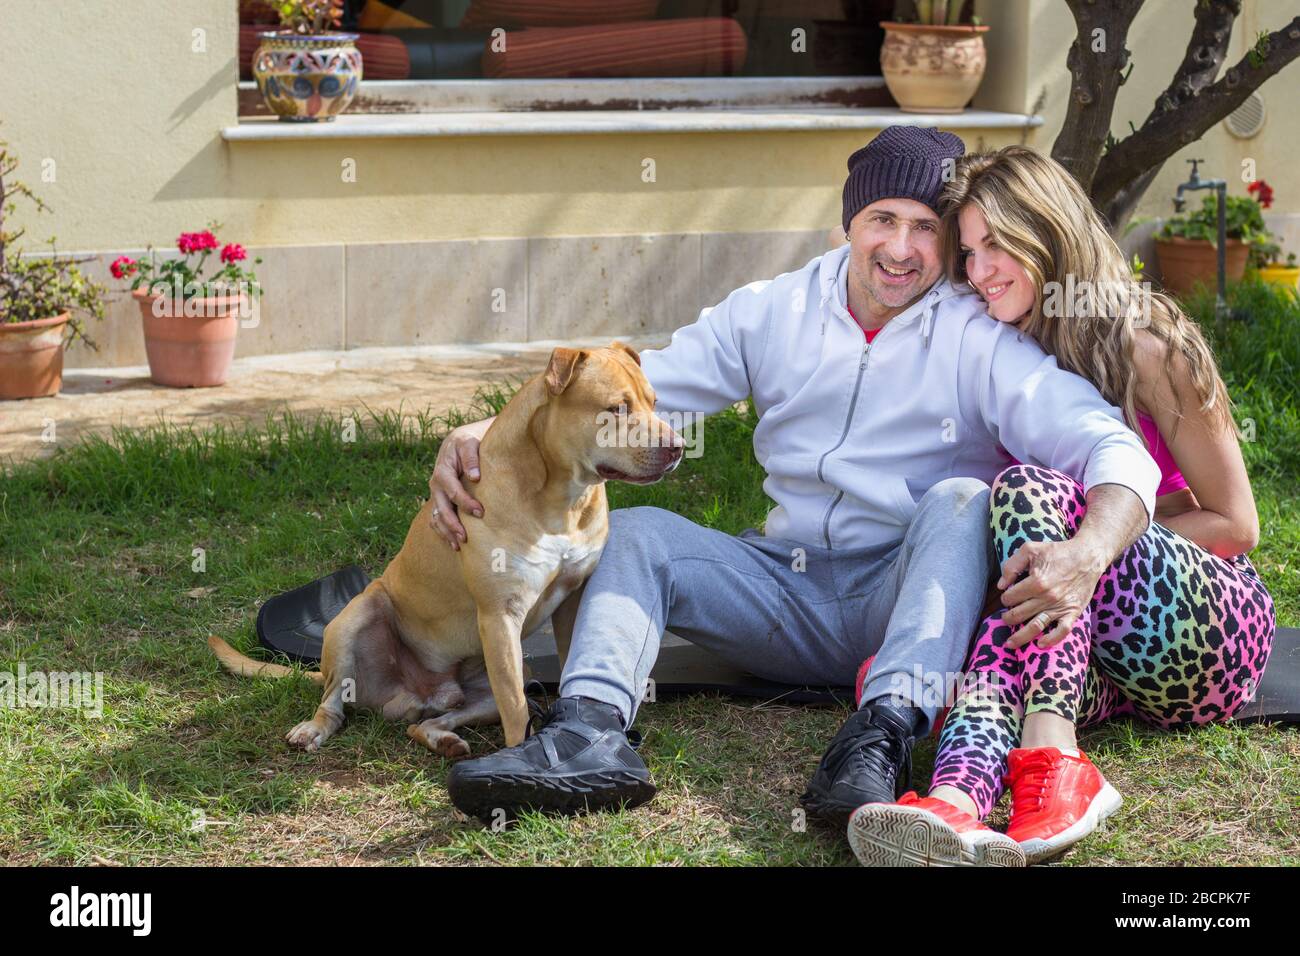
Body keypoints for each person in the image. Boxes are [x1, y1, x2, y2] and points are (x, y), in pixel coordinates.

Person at [427, 127, 1160, 859]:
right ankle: (586, 735)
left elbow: (1113, 447)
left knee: (963, 499)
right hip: (779, 590)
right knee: (642, 531)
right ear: (849, 222)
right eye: (881, 219)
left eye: (925, 228)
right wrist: (489, 430)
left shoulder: (979, 337)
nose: (900, 248)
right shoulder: (772, 309)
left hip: (904, 604)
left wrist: (1090, 551)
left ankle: (879, 739)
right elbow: (639, 391)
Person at [846, 146, 1276, 867]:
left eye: (997, 245)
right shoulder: (1003, 345)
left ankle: (1057, 754)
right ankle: (955, 804)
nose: (979, 271)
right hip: (1091, 653)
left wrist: (1087, 549)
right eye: (969, 253)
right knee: (977, 661)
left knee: (1029, 494)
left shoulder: (1147, 345)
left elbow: (1237, 526)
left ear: (1048, 232)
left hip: (1206, 632)